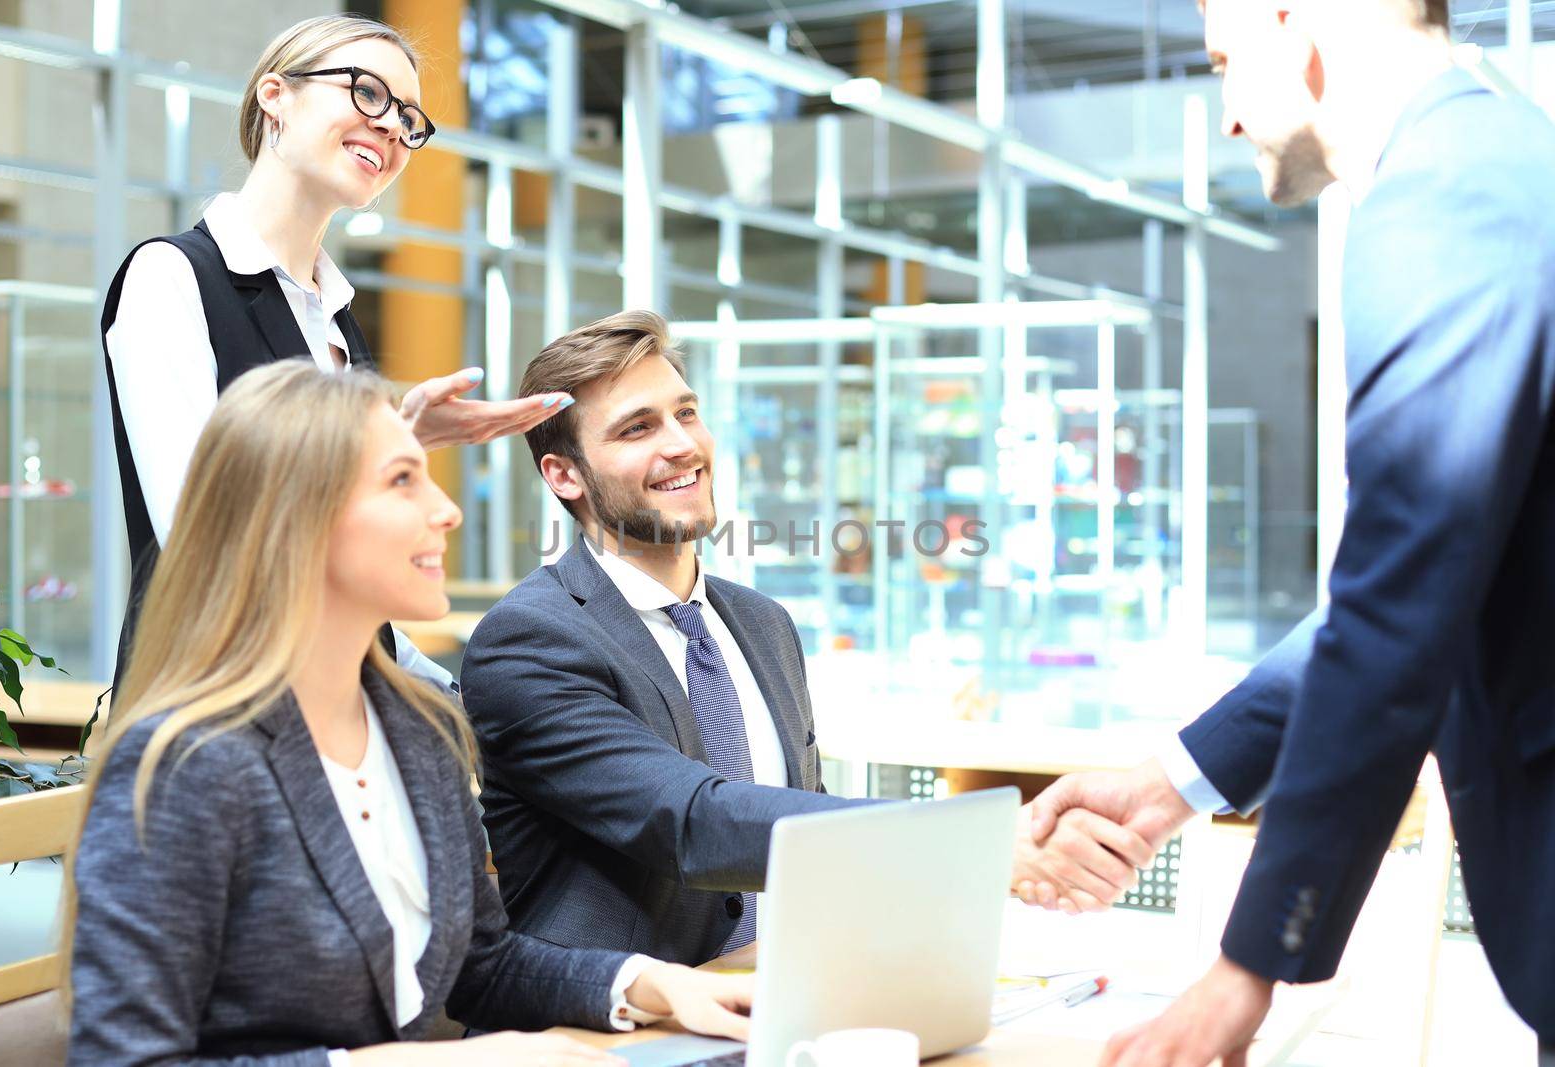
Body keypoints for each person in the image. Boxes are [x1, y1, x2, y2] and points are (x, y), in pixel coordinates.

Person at [1022, 1, 1555, 1063]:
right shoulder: (1499, 149)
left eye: (1222, 64)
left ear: (1292, 28)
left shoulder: (1442, 195)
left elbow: (1397, 612)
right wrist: (1170, 782)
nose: (1224, 116)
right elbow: (1416, 577)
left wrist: (1246, 966)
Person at [68, 362, 754, 1066]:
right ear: (292, 518)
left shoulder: (418, 728)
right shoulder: (191, 763)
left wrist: (648, 984)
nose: (446, 509)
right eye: (402, 480)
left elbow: (479, 965)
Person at [461, 310, 1158, 965]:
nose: (681, 443)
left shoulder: (762, 624)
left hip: (766, 1011)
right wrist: (973, 846)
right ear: (564, 475)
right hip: (601, 1038)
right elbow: (696, 823)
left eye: (686, 412)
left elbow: (801, 834)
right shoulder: (531, 641)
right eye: (637, 428)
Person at [99, 13, 569, 683]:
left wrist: (460, 697)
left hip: (332, 708)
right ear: (275, 97)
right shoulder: (172, 278)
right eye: (368, 93)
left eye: (409, 118)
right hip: (213, 710)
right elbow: (201, 543)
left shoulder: (335, 322)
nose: (391, 127)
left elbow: (355, 593)